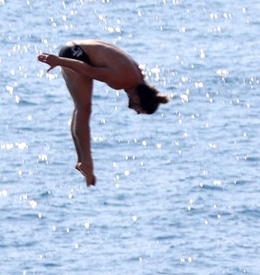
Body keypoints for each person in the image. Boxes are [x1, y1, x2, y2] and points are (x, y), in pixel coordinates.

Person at [37, 40, 169, 186]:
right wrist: (59, 61)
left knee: (82, 108)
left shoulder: (137, 78)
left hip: (79, 50)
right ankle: (86, 163)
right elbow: (89, 71)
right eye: (140, 109)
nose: (136, 112)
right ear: (138, 98)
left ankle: (83, 161)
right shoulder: (122, 80)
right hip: (75, 54)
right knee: (83, 108)